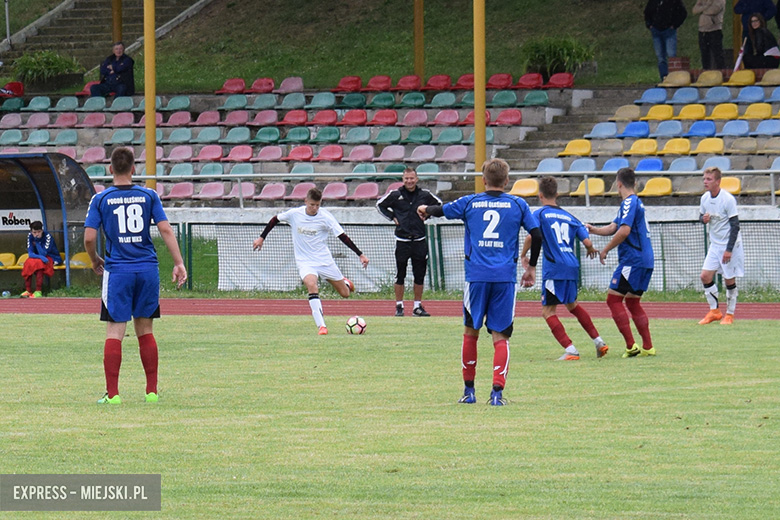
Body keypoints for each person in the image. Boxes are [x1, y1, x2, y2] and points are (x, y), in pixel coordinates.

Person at [416, 159, 541, 406]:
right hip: (504, 279)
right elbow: (536, 235)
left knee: (470, 333)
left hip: (476, 278)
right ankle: (496, 394)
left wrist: (425, 210)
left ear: (484, 180)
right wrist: (532, 267)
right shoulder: (518, 203)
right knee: (501, 336)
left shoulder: (470, 202)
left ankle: (469, 392)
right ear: (507, 181)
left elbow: (442, 210)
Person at [84, 147, 187, 405]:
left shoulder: (101, 199)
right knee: (146, 330)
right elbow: (165, 229)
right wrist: (178, 263)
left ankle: (113, 394)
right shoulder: (148, 195)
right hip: (147, 269)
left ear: (110, 170)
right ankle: (151, 391)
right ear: (133, 169)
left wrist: (95, 259)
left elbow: (89, 237)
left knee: (114, 331)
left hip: (118, 271)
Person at [253, 187, 369, 335]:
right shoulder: (295, 214)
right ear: (305, 201)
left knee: (345, 293)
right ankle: (322, 326)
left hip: (324, 261)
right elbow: (275, 219)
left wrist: (360, 254)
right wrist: (262, 237)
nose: (314, 208)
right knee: (311, 284)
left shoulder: (326, 217)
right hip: (305, 261)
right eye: (312, 204)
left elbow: (342, 237)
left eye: (317, 205)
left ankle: (345, 283)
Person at [520, 177, 609, 361]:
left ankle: (571, 349)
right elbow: (587, 241)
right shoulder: (570, 217)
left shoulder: (540, 214)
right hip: (571, 266)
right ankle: (599, 342)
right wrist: (591, 249)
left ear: (540, 195)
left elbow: (531, 237)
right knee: (572, 305)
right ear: (557, 195)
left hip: (555, 267)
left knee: (548, 312)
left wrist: (523, 255)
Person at [585, 168, 656, 358]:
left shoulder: (628, 202)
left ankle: (631, 346)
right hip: (645, 260)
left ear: (619, 184)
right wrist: (593, 230)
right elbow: (613, 227)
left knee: (613, 299)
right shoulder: (634, 203)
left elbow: (623, 231)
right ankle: (648, 347)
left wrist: (606, 249)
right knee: (632, 302)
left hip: (633, 260)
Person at [376, 168, 442, 317]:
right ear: (403, 179)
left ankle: (417, 306)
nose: (409, 181)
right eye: (406, 178)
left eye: (412, 178)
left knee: (419, 275)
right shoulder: (395, 195)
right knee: (400, 274)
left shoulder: (424, 195)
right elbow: (379, 205)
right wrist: (392, 217)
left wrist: (427, 215)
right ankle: (399, 306)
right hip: (402, 241)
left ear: (416, 179)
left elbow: (439, 205)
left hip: (419, 240)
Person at [697, 167, 744, 325]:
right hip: (715, 244)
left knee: (729, 279)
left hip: (729, 245)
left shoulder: (728, 199)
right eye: (704, 179)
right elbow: (701, 217)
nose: (705, 182)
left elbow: (735, 225)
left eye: (709, 179)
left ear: (718, 181)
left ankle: (729, 314)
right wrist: (703, 219)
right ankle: (714, 311)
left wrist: (729, 250)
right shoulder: (704, 198)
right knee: (705, 276)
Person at [644, 0, 688, 80]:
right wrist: (649, 24)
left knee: (671, 55)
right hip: (656, 31)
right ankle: (664, 78)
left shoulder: (674, 2)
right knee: (660, 57)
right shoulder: (653, 2)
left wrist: (674, 25)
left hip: (669, 31)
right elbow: (647, 12)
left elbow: (683, 13)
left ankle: (673, 78)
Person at [21, 220, 62, 298]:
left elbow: (43, 253)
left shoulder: (47, 236)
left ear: (42, 230)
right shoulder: (30, 236)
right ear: (31, 231)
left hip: (51, 257)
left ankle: (38, 290)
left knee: (39, 264)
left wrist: (37, 243)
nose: (37, 234)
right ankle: (28, 290)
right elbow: (30, 253)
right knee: (28, 263)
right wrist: (40, 257)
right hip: (38, 257)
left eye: (39, 232)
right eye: (34, 232)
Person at [693, 0, 726, 70]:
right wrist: (707, 5)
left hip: (715, 30)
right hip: (702, 31)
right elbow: (694, 10)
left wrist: (701, 9)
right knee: (704, 54)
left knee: (718, 54)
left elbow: (713, 11)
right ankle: (706, 72)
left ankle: (721, 72)